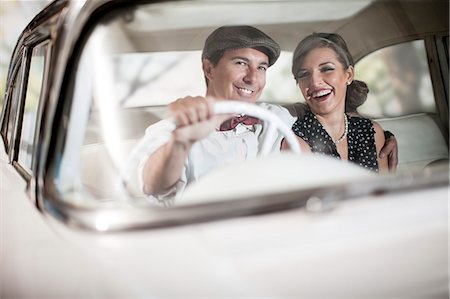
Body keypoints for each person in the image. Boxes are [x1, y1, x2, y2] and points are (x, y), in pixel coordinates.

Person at [139, 26, 396, 201]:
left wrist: (384, 135)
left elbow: (329, 107)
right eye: (241, 63)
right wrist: (181, 140)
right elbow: (154, 187)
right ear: (209, 68)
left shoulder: (279, 116)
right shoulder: (170, 131)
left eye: (261, 67)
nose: (252, 78)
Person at [286, 32, 389, 172]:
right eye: (304, 74)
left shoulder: (372, 131)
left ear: (349, 75)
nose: (315, 82)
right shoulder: (295, 142)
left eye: (327, 69)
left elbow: (385, 190)